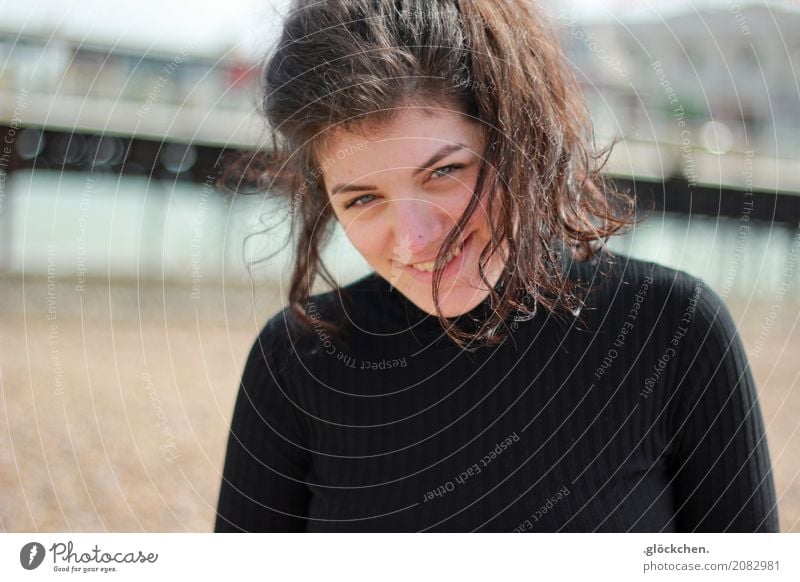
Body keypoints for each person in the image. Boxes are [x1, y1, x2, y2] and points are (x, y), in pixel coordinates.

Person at [214, 0, 779, 532]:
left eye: (443, 172)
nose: (414, 240)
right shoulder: (295, 364)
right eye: (362, 199)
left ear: (518, 135)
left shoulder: (674, 330)